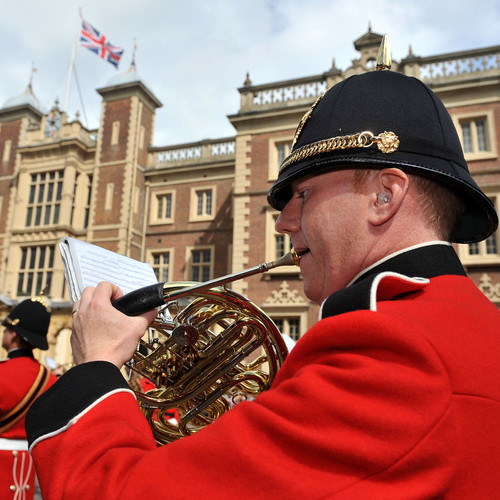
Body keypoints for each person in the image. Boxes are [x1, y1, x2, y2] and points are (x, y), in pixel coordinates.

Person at [26, 46, 500, 499]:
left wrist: (96, 367)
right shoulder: (463, 324)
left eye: (303, 195)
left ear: (384, 195)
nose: (282, 221)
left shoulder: (392, 353)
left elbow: (115, 492)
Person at [0, 296, 57, 500]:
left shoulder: (2, 373)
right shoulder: (50, 379)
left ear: (13, 334)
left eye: (6, 329)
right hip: (30, 472)